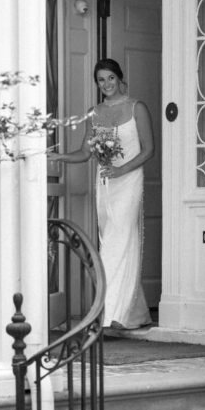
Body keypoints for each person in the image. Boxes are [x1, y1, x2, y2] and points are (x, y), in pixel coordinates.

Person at [57, 58, 154, 330]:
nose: (106, 84)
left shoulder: (137, 107)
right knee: (108, 241)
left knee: (122, 239)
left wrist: (123, 169)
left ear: (120, 78)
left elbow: (149, 150)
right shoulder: (94, 112)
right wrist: (59, 156)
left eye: (110, 78)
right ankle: (126, 311)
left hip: (129, 180)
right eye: (101, 80)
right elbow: (85, 153)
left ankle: (116, 314)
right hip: (105, 184)